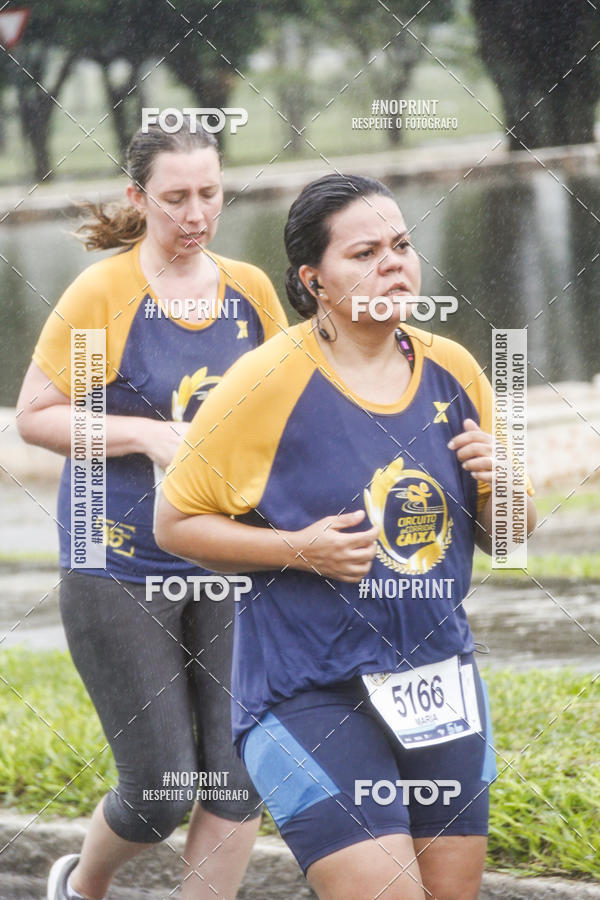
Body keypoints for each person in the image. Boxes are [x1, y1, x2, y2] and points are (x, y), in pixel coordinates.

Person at [155, 173, 537, 900]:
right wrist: (298, 549)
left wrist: (508, 484)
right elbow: (174, 522)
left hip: (438, 685)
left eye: (401, 244)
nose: (394, 263)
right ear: (313, 279)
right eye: (364, 253)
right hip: (308, 691)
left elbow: (507, 540)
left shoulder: (453, 369)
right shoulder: (265, 380)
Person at [16, 121, 287, 900]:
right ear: (139, 198)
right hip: (119, 563)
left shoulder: (250, 291)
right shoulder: (105, 292)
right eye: (175, 198)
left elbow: (285, 404)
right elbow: (37, 415)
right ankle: (80, 885)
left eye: (209, 193)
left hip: (228, 559)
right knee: (162, 789)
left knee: (241, 778)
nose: (196, 214)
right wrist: (152, 437)